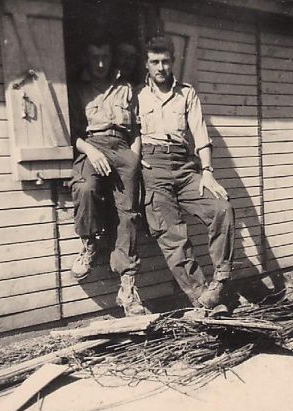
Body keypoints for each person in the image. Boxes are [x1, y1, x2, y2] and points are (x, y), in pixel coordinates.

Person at [137, 36, 235, 310]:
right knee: (172, 235)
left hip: (184, 166)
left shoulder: (187, 93)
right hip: (152, 166)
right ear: (146, 63)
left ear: (173, 61)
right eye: (154, 61)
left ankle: (220, 281)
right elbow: (129, 135)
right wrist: (137, 163)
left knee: (221, 208)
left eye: (165, 61)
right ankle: (203, 299)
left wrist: (208, 172)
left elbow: (200, 135)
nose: (160, 67)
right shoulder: (137, 96)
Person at [68, 39, 144, 316]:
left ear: (112, 57)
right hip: (92, 145)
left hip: (123, 148)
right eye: (95, 56)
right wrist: (90, 150)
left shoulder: (126, 89)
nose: (100, 64)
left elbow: (136, 129)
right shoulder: (78, 89)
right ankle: (89, 244)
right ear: (87, 58)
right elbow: (72, 133)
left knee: (129, 213)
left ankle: (127, 285)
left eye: (105, 56)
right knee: (86, 188)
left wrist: (134, 158)